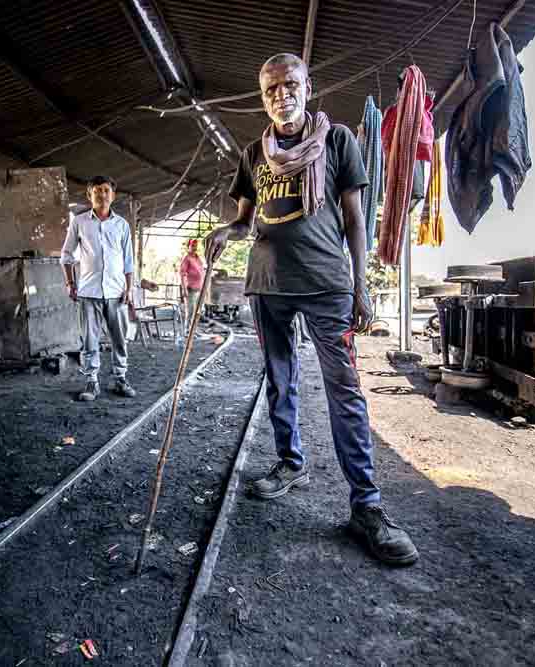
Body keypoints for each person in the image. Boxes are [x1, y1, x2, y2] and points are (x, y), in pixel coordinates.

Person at [205, 54, 418, 566]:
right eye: (271, 88)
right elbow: (245, 221)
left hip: (326, 284)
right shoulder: (254, 153)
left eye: (290, 84)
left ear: (307, 87)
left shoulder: (339, 140)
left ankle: (366, 507)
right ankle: (289, 462)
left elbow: (355, 222)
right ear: (263, 96)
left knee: (344, 392)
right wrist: (224, 232)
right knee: (280, 380)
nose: (282, 94)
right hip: (268, 284)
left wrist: (361, 287)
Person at [61, 175, 137, 402]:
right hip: (88, 292)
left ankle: (120, 378)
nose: (102, 194)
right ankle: (91, 382)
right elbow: (66, 255)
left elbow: (128, 261)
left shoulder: (122, 224)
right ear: (89, 195)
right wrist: (70, 283)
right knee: (90, 340)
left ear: (112, 195)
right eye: (97, 190)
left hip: (116, 291)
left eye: (106, 190)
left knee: (119, 339)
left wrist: (129, 288)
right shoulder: (79, 222)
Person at [179, 238, 205, 323]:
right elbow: (182, 274)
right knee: (190, 312)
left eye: (196, 246)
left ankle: (193, 331)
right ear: (188, 247)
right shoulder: (186, 258)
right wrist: (184, 289)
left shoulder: (198, 258)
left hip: (199, 290)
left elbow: (202, 272)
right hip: (190, 290)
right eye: (193, 246)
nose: (195, 248)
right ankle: (187, 331)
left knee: (198, 312)